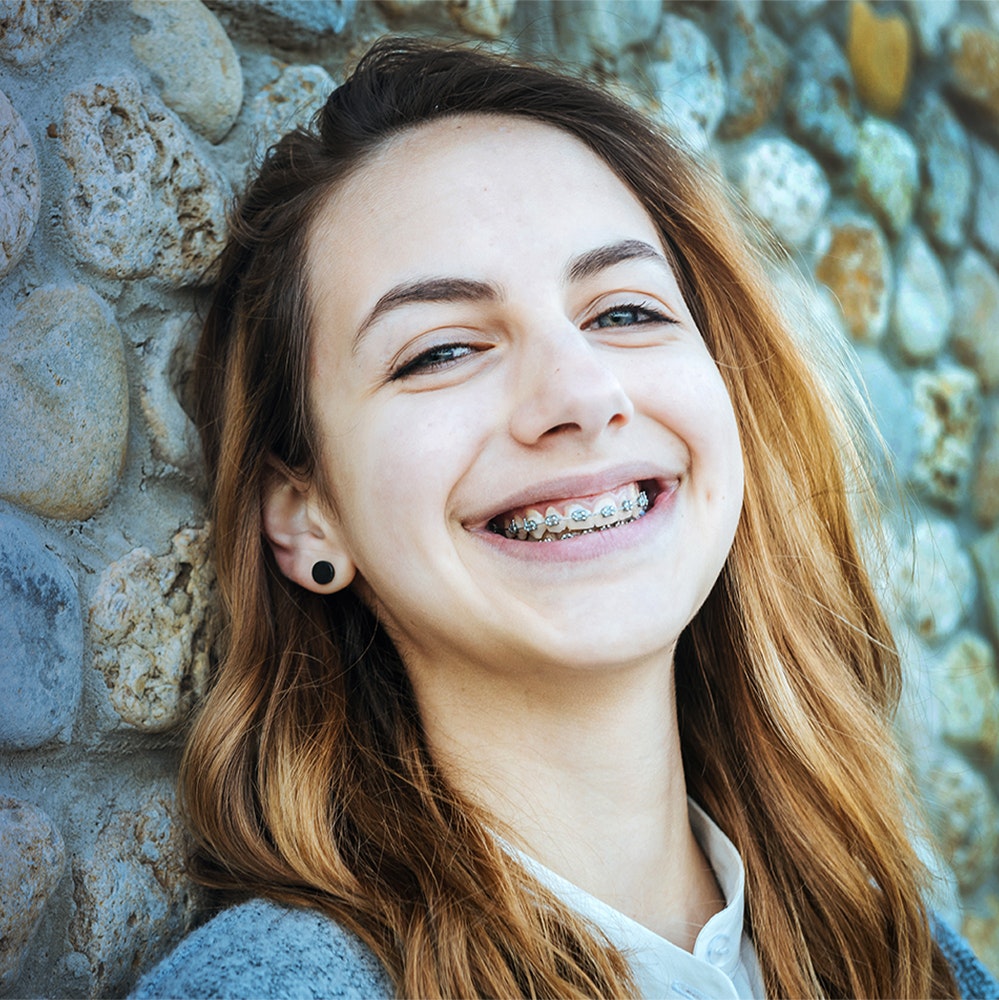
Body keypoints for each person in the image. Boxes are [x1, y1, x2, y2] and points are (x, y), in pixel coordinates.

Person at [133, 37, 998, 1000]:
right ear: (305, 515)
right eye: (441, 350)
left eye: (624, 312)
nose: (581, 394)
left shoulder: (912, 957)